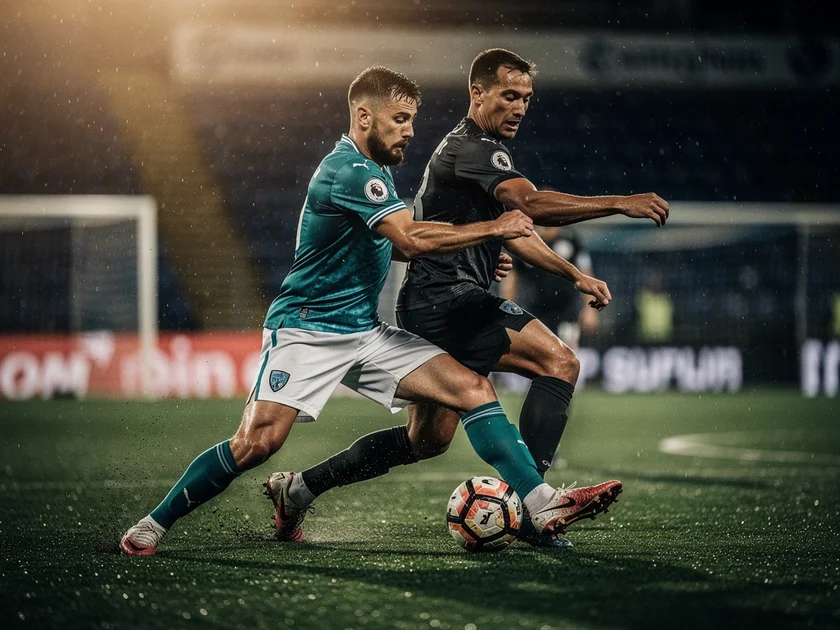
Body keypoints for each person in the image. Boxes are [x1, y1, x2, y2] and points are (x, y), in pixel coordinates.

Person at [119, 65, 599, 556]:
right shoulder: (349, 170)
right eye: (399, 119)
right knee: (256, 444)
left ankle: (540, 504)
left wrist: (469, 249)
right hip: (305, 330)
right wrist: (493, 229)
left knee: (472, 389)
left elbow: (394, 246)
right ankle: (152, 525)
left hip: (365, 332)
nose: (410, 131)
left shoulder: (378, 173)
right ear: (364, 117)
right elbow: (410, 238)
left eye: (412, 119)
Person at [269, 49, 667, 548]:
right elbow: (530, 205)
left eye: (526, 98)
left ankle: (301, 488)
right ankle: (536, 506)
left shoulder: (479, 151)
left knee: (426, 441)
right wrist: (618, 202)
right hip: (447, 301)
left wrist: (572, 275)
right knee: (559, 361)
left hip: (438, 301)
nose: (519, 107)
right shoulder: (472, 147)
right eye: (509, 96)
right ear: (477, 93)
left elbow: (516, 230)